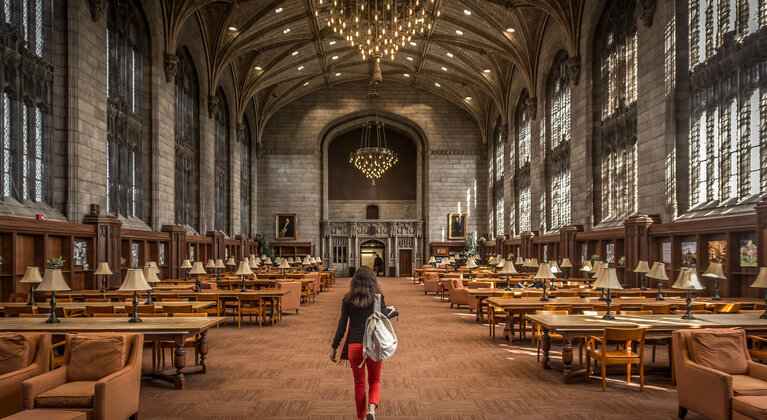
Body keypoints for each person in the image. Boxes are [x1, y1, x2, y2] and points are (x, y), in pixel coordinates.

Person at [330, 267, 390, 420]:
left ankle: (361, 417)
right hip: (374, 345)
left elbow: (342, 325)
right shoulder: (378, 298)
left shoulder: (347, 300)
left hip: (355, 346)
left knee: (359, 383)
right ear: (372, 282)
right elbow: (384, 321)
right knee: (375, 380)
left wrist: (334, 347)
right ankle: (371, 409)